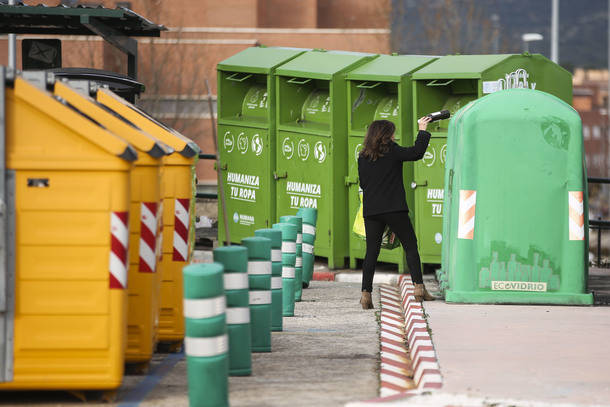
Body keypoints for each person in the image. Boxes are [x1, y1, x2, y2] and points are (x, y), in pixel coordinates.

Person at [357, 117, 435, 309]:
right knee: (410, 246)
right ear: (386, 135)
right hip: (394, 208)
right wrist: (423, 130)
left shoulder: (363, 156)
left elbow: (363, 184)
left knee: (372, 253)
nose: (394, 135)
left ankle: (366, 295)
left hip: (372, 210)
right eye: (392, 132)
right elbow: (417, 153)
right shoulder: (393, 151)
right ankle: (418, 288)